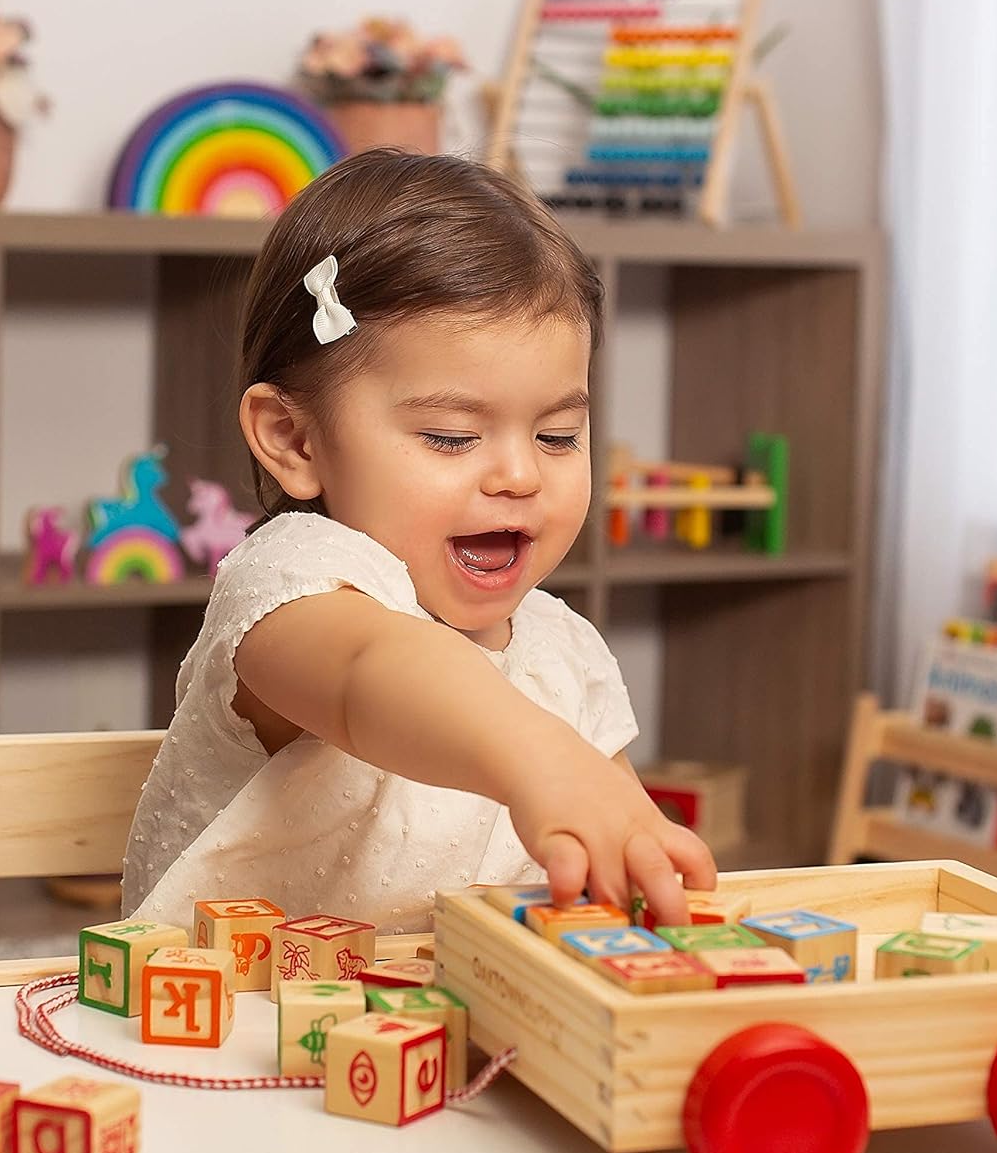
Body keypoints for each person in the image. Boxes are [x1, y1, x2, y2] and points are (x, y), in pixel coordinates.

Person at [123, 150, 715, 934]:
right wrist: (544, 757)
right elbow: (373, 669)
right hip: (223, 1029)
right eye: (450, 436)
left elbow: (610, 839)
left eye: (557, 434)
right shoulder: (293, 583)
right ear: (295, 439)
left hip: (459, 1030)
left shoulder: (563, 654)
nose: (518, 474)